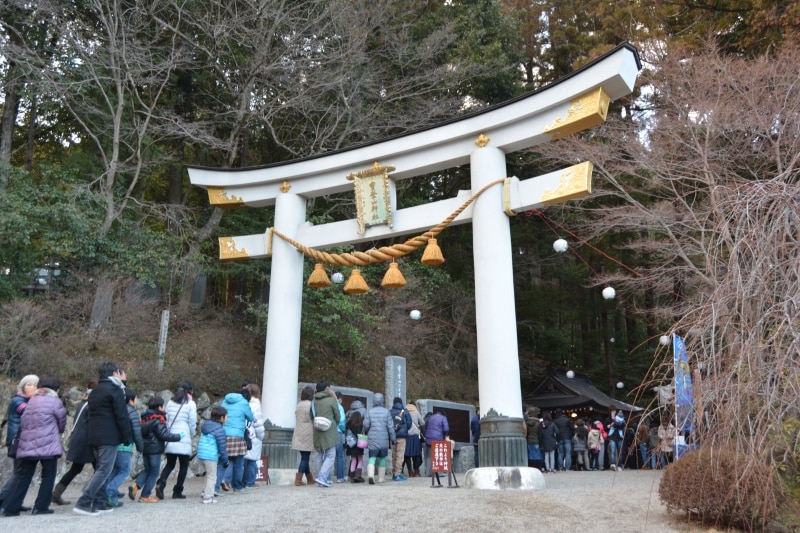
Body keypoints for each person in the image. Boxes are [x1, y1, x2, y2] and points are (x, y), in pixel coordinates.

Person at [1, 376, 66, 516]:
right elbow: (61, 424)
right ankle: (40, 507)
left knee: (23, 476)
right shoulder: (55, 402)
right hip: (48, 445)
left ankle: (10, 508)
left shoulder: (30, 402)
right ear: (55, 389)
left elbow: (23, 421)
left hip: (28, 444)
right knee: (48, 475)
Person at [74, 362, 132, 517]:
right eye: (120, 373)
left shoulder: (95, 390)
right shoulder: (115, 390)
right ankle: (84, 501)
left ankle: (99, 503)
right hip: (109, 436)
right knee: (104, 470)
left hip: (94, 435)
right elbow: (122, 415)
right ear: (114, 373)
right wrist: (126, 436)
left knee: (101, 469)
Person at [52, 380, 97, 506]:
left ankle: (57, 493)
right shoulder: (91, 406)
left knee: (76, 468)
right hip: (87, 441)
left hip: (78, 439)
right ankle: (92, 494)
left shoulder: (82, 404)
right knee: (100, 469)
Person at [130, 397, 182, 503]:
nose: (164, 408)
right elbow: (164, 435)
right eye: (163, 406)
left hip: (146, 449)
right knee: (154, 472)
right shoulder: (158, 419)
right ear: (159, 407)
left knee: (148, 469)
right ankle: (145, 495)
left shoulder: (145, 418)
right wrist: (178, 437)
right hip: (155, 449)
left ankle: (136, 486)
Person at [0, 374, 38, 513]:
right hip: (17, 440)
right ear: (22, 386)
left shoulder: (28, 400)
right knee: (19, 473)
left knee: (22, 473)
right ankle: (4, 500)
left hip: (23, 440)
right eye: (29, 384)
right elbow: (30, 413)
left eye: (34, 385)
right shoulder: (18, 401)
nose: (32, 387)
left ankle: (16, 500)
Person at [156, 381, 197, 500]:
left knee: (170, 464)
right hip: (183, 437)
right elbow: (192, 422)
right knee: (184, 465)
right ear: (190, 391)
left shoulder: (170, 402)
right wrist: (191, 434)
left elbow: (166, 419)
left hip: (171, 436)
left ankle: (161, 483)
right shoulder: (191, 404)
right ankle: (177, 491)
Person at [105, 387, 144, 508]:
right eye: (136, 398)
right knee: (124, 471)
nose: (137, 400)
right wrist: (140, 446)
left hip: (113, 445)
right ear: (131, 400)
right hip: (125, 446)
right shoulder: (132, 412)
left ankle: (112, 498)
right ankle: (108, 492)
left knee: (115, 471)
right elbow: (136, 432)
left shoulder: (116, 409)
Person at [217, 388, 254, 494]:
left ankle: (223, 480)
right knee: (239, 462)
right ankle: (237, 486)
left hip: (224, 434)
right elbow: (251, 418)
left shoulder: (225, 401)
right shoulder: (244, 402)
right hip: (238, 435)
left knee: (226, 459)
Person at [311, 381, 341, 487]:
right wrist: (333, 424)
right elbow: (338, 416)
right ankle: (322, 476)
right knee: (331, 455)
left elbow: (311, 416)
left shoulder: (313, 401)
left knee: (318, 455)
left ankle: (320, 478)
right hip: (329, 431)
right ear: (326, 388)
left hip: (317, 430)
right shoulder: (331, 400)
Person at [197, 406, 229, 504]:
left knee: (209, 475)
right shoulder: (219, 430)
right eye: (226, 416)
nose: (227, 418)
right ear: (222, 418)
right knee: (212, 477)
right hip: (210, 456)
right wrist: (225, 460)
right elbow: (222, 447)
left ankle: (205, 493)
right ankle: (208, 497)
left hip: (201, 455)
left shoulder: (205, 425)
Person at [363, 392, 394, 485]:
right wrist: (393, 438)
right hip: (384, 438)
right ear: (382, 401)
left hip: (372, 438)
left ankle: (371, 475)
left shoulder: (370, 411)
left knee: (372, 457)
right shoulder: (386, 412)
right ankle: (381, 478)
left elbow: (366, 425)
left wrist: (365, 431)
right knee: (382, 458)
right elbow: (390, 427)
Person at [291, 386, 315, 486]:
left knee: (304, 457)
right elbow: (314, 418)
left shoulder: (299, 405)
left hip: (299, 432)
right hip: (308, 433)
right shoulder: (311, 405)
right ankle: (298, 479)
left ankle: (310, 479)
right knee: (305, 458)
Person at [243, 383, 266, 488]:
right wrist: (261, 436)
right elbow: (258, 423)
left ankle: (240, 481)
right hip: (253, 435)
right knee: (252, 461)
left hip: (243, 433)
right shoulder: (256, 404)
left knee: (242, 460)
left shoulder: (243, 402)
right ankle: (250, 482)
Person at [389, 396, 412, 481]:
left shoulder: (390, 412)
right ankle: (397, 474)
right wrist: (405, 429)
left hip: (393, 436)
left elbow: (388, 424)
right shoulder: (405, 412)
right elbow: (410, 423)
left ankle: (394, 473)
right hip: (402, 437)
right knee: (400, 456)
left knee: (394, 455)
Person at [423, 409, 448, 478]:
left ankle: (428, 473)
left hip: (428, 439)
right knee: (438, 455)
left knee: (430, 456)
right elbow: (446, 429)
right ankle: (439, 473)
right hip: (437, 439)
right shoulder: (443, 417)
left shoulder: (432, 417)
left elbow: (426, 426)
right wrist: (445, 435)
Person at [404, 401, 425, 477]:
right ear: (414, 406)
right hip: (415, 435)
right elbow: (423, 423)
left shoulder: (404, 412)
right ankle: (416, 471)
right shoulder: (416, 412)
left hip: (407, 435)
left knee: (407, 454)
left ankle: (410, 471)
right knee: (417, 454)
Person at [344, 410, 365, 482]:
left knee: (353, 460)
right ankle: (357, 475)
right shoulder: (360, 425)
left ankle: (351, 477)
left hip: (351, 445)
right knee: (360, 460)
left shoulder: (348, 425)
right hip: (358, 445)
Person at [334, 391, 347, 483]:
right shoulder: (339, 406)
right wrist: (343, 429)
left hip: (327, 432)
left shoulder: (328, 405)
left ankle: (326, 477)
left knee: (327, 455)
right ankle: (340, 477)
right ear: (340, 399)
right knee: (339, 455)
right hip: (337, 432)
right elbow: (342, 420)